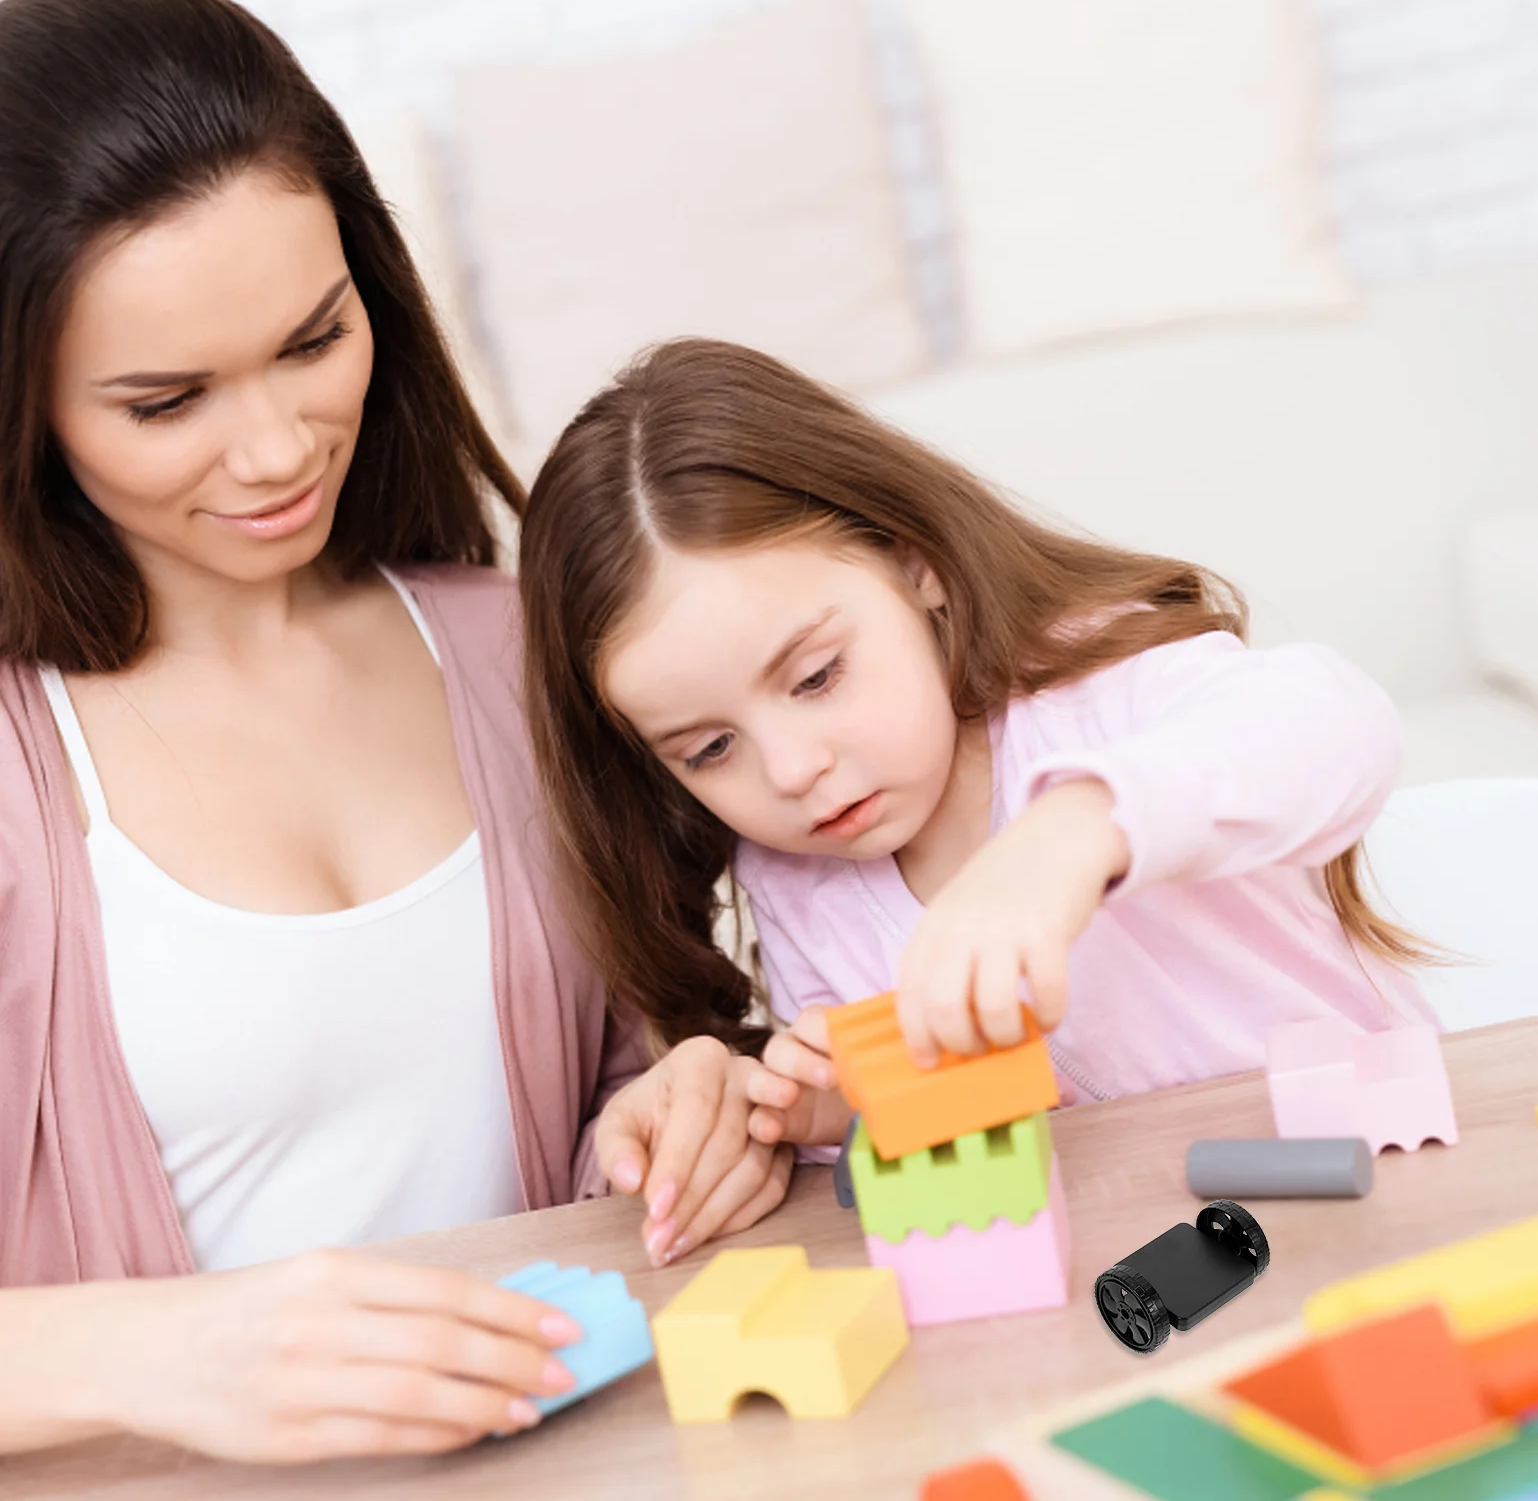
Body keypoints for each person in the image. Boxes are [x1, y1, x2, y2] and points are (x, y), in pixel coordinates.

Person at [0, 0, 787, 1463]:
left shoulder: (509, 653)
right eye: (166, 402)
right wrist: (154, 1354)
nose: (279, 446)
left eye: (314, 341)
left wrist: (693, 1102)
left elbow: (640, 1059)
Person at [518, 337, 1439, 1234]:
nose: (793, 771)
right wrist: (835, 1113)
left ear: (915, 562)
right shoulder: (794, 880)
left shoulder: (1101, 693)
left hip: (1388, 1194)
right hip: (1150, 1264)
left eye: (815, 678)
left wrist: (1077, 830)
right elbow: (967, 1143)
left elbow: (1335, 724)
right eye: (710, 748)